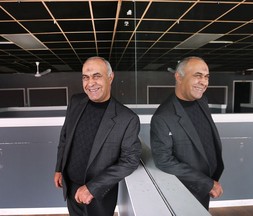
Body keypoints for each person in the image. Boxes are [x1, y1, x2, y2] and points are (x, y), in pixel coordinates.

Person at [54, 56, 142, 216]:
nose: (90, 83)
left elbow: (130, 161)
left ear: (110, 77)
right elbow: (65, 137)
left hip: (98, 195)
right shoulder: (76, 102)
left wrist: (92, 188)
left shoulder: (127, 118)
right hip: (71, 186)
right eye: (86, 78)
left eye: (97, 76)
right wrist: (59, 168)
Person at [150, 56, 224, 210]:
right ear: (179, 77)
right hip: (187, 189)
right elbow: (164, 160)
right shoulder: (163, 117)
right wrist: (205, 183)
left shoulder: (202, 101)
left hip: (207, 184)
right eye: (197, 76)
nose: (203, 82)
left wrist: (210, 180)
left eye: (206, 77)